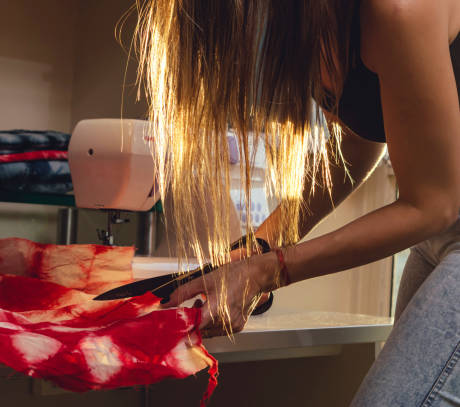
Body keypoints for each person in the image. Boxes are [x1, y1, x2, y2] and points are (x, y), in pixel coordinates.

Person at [134, 0, 460, 405]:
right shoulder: (319, 23)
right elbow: (358, 145)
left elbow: (433, 204)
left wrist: (270, 272)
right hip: (437, 237)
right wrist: (259, 246)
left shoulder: (399, 10)